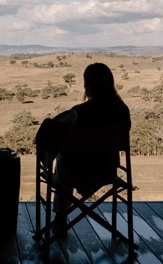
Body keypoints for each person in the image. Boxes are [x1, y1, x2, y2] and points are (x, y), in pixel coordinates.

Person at [38, 62, 131, 234]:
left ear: (87, 84)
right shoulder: (122, 110)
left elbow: (58, 142)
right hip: (106, 171)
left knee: (63, 160)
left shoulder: (77, 113)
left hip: (74, 172)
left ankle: (60, 218)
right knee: (66, 160)